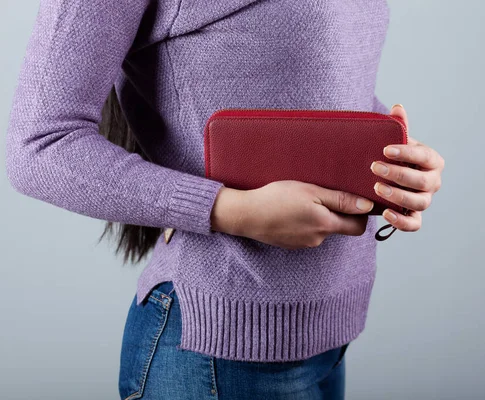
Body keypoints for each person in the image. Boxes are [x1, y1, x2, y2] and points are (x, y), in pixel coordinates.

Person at [5, 0, 444, 399]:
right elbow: (38, 145)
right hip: (215, 352)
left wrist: (394, 165)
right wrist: (229, 209)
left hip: (327, 331)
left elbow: (313, 83)